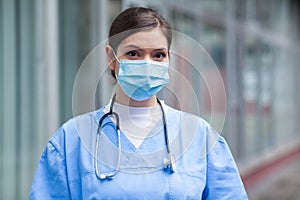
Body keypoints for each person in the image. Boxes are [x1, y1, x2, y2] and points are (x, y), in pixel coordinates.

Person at [30, 7, 248, 199]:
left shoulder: (200, 137)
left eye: (158, 55)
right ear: (111, 58)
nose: (147, 64)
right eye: (133, 53)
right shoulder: (71, 140)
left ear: (169, 58)